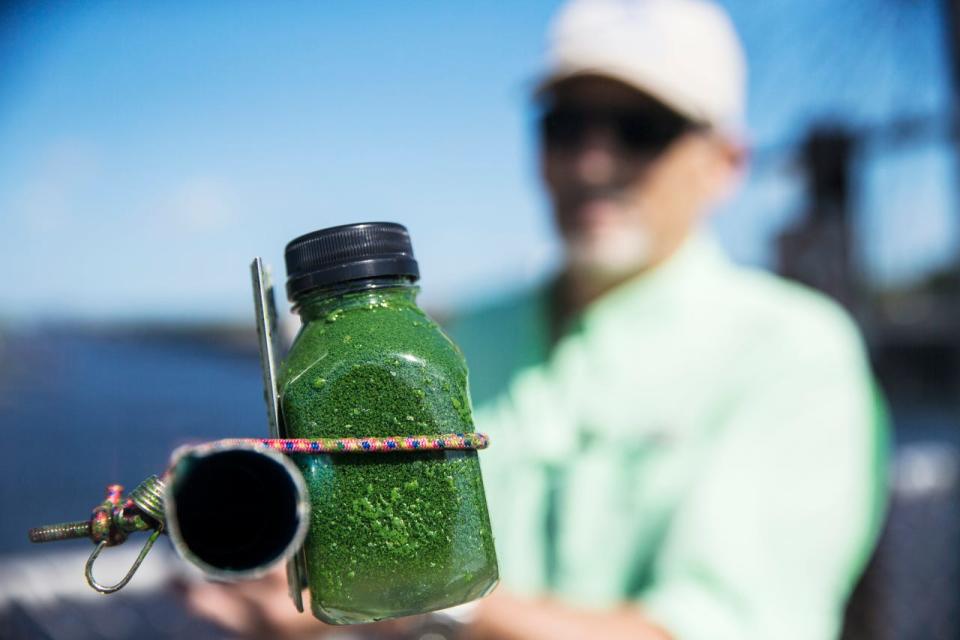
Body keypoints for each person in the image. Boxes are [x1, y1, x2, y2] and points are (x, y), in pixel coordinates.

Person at [183, 1, 888, 638]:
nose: (591, 159)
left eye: (640, 128)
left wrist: (428, 600)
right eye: (565, 124)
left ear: (727, 162)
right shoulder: (461, 332)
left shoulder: (795, 350)